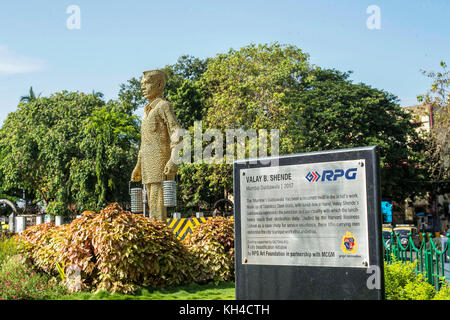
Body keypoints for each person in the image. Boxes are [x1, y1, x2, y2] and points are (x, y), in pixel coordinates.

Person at [131, 70, 182, 221]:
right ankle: (157, 236)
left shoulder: (163, 106)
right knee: (151, 208)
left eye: (147, 83)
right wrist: (138, 166)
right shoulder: (146, 113)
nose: (143, 87)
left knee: (158, 208)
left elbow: (177, 133)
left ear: (159, 85)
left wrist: (173, 160)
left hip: (160, 164)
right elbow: (144, 143)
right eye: (142, 84)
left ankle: (161, 239)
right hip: (147, 166)